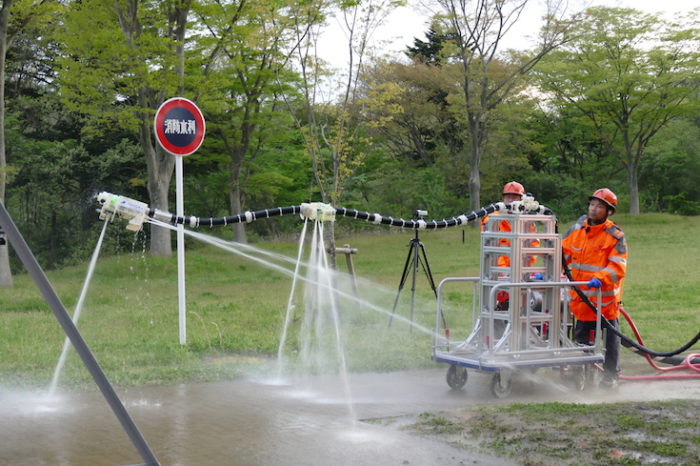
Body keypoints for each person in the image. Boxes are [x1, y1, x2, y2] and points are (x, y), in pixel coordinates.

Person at [561, 188, 627, 389]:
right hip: (581, 300)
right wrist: (547, 271)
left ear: (609, 212)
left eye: (599, 206)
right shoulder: (576, 231)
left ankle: (610, 376)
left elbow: (618, 266)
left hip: (605, 302)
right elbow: (561, 254)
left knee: (611, 342)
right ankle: (581, 375)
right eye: (592, 205)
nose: (594, 209)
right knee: (581, 342)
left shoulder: (614, 236)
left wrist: (600, 277)